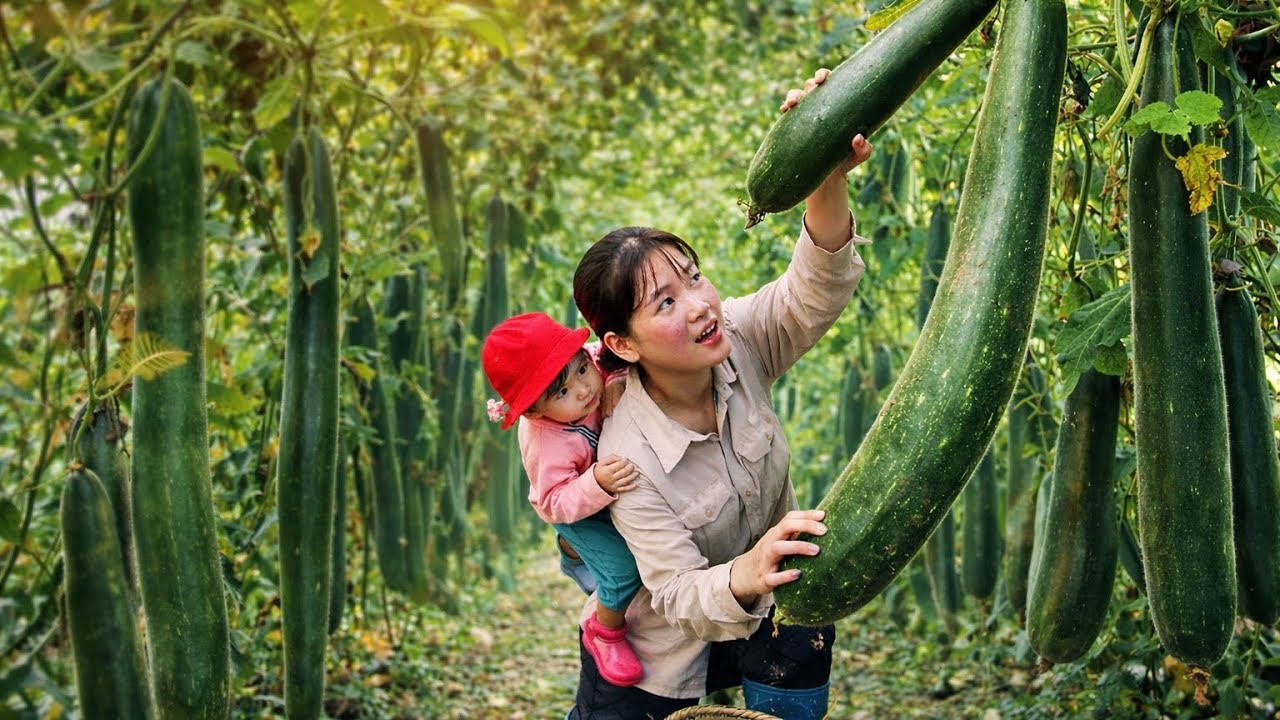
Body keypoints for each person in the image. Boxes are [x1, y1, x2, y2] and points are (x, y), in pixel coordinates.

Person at [566, 68, 874, 719]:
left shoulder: (736, 336)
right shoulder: (625, 458)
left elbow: (814, 289)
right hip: (662, 653)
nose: (701, 305)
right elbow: (677, 593)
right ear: (623, 344)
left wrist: (825, 171)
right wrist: (747, 569)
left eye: (695, 278)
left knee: (795, 654)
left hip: (774, 615)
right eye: (667, 301)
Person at [481, 311, 646, 687]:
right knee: (624, 572)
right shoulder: (547, 444)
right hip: (571, 506)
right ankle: (605, 633)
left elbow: (610, 357)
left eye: (582, 371)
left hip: (595, 485)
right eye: (562, 392)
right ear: (535, 410)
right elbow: (553, 500)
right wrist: (595, 484)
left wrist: (618, 379)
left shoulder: (591, 367)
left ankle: (574, 554)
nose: (584, 389)